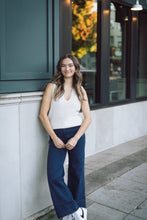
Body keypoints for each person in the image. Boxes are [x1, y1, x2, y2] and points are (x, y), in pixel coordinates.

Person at [39, 54, 92, 220]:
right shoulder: (52, 87)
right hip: (57, 135)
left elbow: (88, 118)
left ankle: (80, 210)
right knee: (54, 175)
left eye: (70, 65)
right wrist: (54, 137)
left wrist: (76, 138)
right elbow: (42, 115)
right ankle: (72, 209)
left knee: (77, 172)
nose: (67, 68)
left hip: (76, 134)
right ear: (59, 68)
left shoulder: (80, 89)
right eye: (63, 65)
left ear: (75, 68)